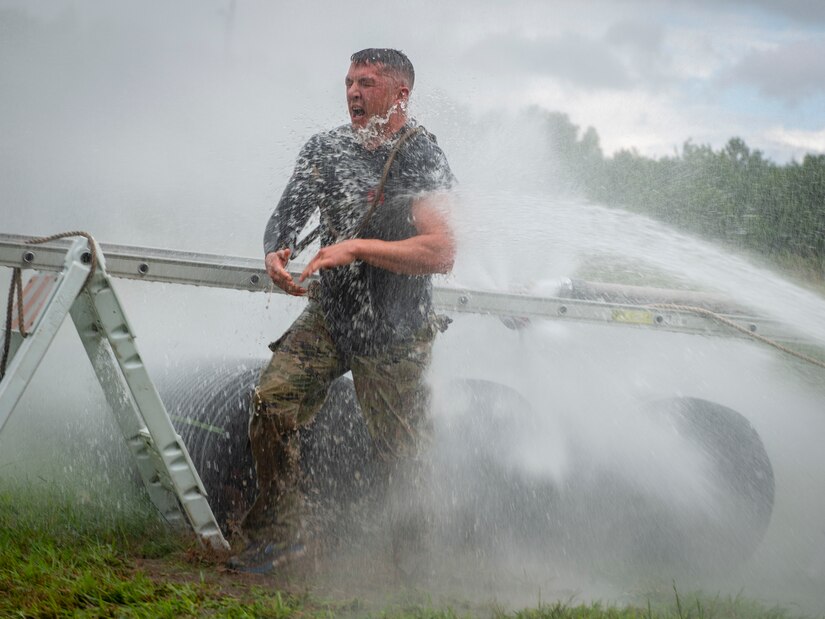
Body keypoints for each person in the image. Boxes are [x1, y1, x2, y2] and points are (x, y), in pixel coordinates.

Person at [228, 48, 456, 574]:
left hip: (395, 329)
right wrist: (276, 250)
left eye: (368, 83)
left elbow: (441, 251)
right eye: (349, 82)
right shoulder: (326, 148)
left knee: (401, 452)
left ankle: (412, 561)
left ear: (401, 93)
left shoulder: (422, 157)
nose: (353, 92)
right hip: (332, 314)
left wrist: (357, 248)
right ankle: (281, 534)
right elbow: (287, 213)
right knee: (272, 403)